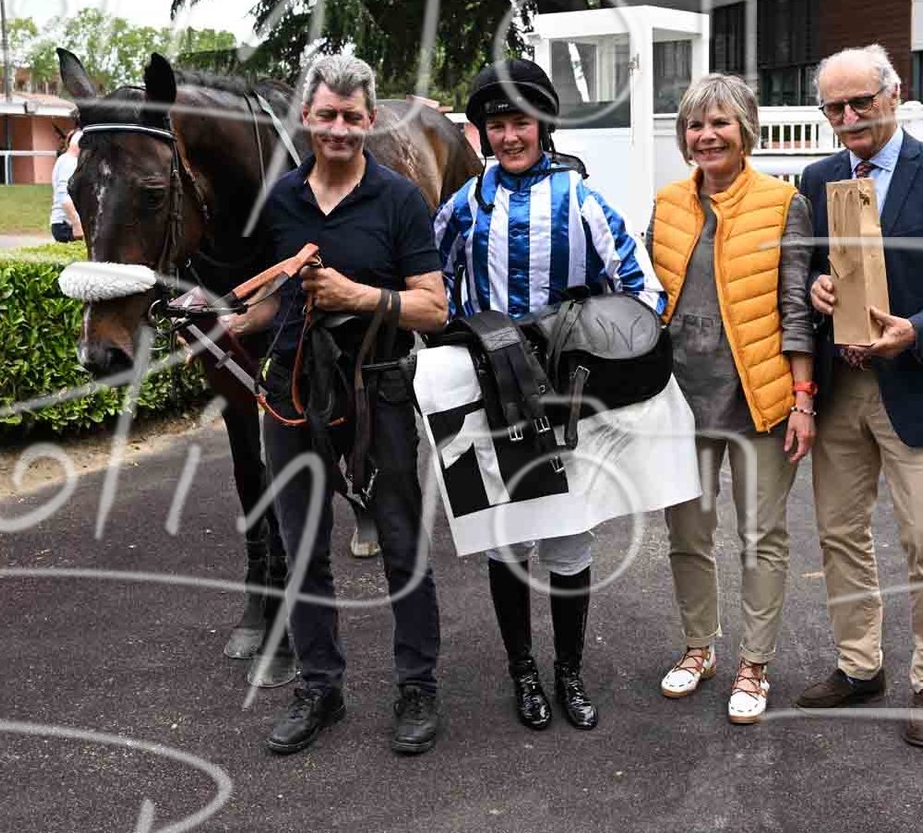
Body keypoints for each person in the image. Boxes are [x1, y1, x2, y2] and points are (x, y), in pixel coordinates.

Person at [221, 54, 447, 757]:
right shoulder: (282, 200)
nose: (339, 128)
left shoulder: (399, 199)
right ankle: (321, 687)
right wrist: (229, 322)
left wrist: (358, 295)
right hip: (293, 393)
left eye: (352, 116)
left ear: (370, 120)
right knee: (300, 547)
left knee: (401, 541)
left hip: (377, 389)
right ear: (306, 118)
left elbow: (433, 308)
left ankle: (417, 685)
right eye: (327, 115)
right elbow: (274, 299)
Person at [434, 56, 665, 732]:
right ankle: (523, 672)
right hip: (490, 394)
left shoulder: (581, 200)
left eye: (521, 122)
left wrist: (597, 350)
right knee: (506, 539)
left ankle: (569, 670)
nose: (509, 136)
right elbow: (432, 290)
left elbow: (641, 290)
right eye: (496, 125)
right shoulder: (463, 206)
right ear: (481, 133)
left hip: (566, 398)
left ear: (543, 126)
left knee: (567, 538)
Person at [796, 45, 923, 748]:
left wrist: (919, 330)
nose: (848, 117)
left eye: (861, 101)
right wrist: (816, 287)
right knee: (839, 534)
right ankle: (860, 665)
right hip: (841, 385)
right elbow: (811, 268)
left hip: (919, 379)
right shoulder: (819, 176)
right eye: (834, 107)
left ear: (893, 95)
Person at [647, 73, 815, 725]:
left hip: (758, 402)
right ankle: (699, 648)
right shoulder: (667, 203)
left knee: (761, 535)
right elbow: (648, 299)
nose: (707, 134)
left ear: (745, 129)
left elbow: (796, 309)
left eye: (720, 122)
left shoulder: (783, 203)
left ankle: (754, 663)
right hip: (679, 403)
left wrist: (802, 399)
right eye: (695, 124)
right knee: (687, 533)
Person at [49, 130, 83, 243]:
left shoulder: (65, 159)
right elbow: (65, 197)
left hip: (64, 223)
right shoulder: (70, 162)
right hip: (66, 224)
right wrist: (77, 225)